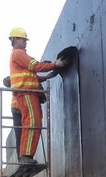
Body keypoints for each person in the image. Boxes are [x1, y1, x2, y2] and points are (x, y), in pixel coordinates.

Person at [8, 27, 67, 165]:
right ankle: (25, 156)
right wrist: (55, 64)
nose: (25, 42)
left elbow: (31, 75)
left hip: (29, 92)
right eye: (23, 39)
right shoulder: (18, 53)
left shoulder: (17, 55)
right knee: (32, 122)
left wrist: (45, 77)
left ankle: (26, 155)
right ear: (16, 39)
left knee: (35, 123)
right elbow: (35, 66)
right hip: (27, 92)